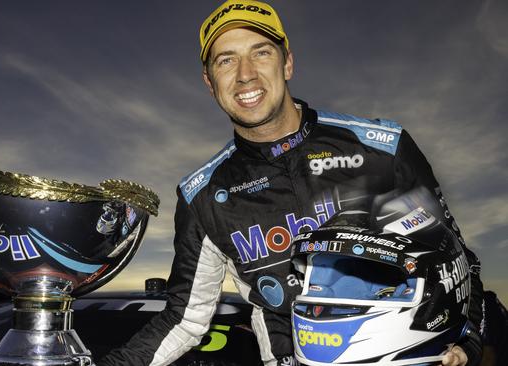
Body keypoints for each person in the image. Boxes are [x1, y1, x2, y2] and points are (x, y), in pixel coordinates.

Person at [98, 1, 484, 365]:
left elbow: (456, 256)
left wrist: (469, 339)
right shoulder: (202, 196)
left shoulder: (381, 148)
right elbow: (184, 319)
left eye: (261, 52)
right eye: (226, 60)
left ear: (287, 64)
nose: (245, 73)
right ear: (209, 82)